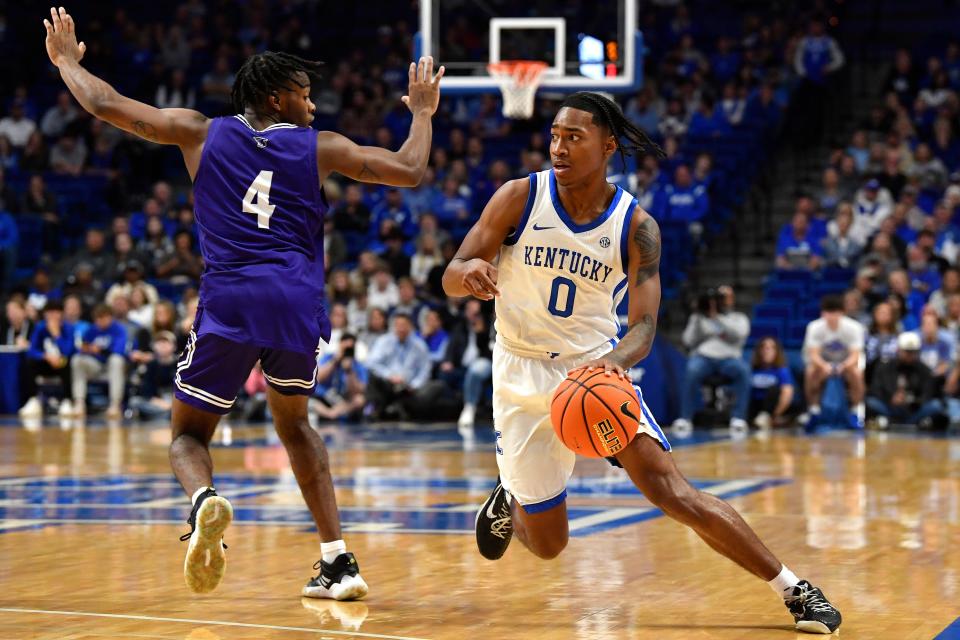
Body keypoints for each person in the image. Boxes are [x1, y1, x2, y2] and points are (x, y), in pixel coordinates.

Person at [45, 7, 442, 597]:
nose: (312, 104)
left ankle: (205, 500)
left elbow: (106, 106)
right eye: (304, 94)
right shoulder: (321, 147)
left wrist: (67, 64)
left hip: (231, 298)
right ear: (279, 98)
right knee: (296, 424)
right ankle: (338, 561)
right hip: (295, 301)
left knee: (187, 437)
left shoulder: (199, 131)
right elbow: (410, 170)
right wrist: (423, 115)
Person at [442, 92, 840, 634]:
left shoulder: (636, 226)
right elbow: (453, 268)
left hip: (592, 369)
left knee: (669, 489)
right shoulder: (518, 197)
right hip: (519, 372)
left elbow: (645, 328)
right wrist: (466, 275)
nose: (558, 147)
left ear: (607, 146)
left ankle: (794, 589)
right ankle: (509, 503)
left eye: (573, 137)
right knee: (551, 546)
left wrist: (608, 365)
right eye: (555, 135)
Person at [673, 286, 752, 433]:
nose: (720, 300)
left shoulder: (738, 318)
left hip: (729, 359)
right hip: (704, 358)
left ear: (732, 299)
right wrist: (697, 316)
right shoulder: (699, 317)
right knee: (691, 369)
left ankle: (738, 418)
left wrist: (716, 318)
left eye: (725, 296)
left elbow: (739, 334)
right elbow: (688, 341)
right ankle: (685, 418)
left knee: (743, 371)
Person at [801, 295, 866, 429]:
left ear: (842, 312)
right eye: (828, 312)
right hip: (823, 363)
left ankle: (855, 411)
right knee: (810, 371)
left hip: (846, 363)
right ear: (822, 313)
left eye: (835, 312)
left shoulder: (854, 327)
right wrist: (825, 366)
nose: (831, 316)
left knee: (857, 373)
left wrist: (843, 366)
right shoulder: (814, 327)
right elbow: (813, 354)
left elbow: (855, 355)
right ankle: (813, 410)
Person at [866, 332, 944, 429]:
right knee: (871, 402)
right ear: (899, 350)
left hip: (914, 410)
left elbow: (928, 393)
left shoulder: (924, 370)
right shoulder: (885, 367)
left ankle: (895, 422)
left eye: (913, 352)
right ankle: (899, 421)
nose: (910, 355)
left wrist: (912, 401)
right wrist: (891, 398)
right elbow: (875, 389)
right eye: (907, 351)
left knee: (936, 405)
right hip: (890, 407)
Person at [18, 299, 75, 418]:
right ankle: (33, 400)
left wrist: (57, 335)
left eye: (56, 312)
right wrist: (45, 356)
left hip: (61, 364)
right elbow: (32, 350)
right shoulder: (40, 328)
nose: (53, 316)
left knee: (69, 362)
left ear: (62, 314)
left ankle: (67, 401)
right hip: (45, 363)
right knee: (29, 362)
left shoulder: (68, 328)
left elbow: (68, 351)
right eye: (50, 312)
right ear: (45, 314)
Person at [71, 303, 127, 418]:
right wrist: (87, 349)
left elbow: (118, 351)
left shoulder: (119, 329)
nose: (100, 321)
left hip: (112, 367)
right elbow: (81, 348)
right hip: (95, 366)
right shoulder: (92, 330)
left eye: (103, 318)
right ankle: (79, 403)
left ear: (110, 317)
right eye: (98, 318)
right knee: (77, 360)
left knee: (116, 360)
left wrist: (99, 350)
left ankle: (115, 405)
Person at [313, 332, 368, 422]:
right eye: (345, 347)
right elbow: (318, 378)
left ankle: (334, 413)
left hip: (344, 401)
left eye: (349, 348)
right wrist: (335, 361)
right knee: (307, 397)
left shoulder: (358, 365)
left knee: (360, 400)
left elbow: (359, 391)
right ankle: (330, 414)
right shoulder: (328, 358)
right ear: (339, 345)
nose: (347, 350)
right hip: (324, 397)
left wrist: (349, 371)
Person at [748, 337, 795, 429]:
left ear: (777, 352)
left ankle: (767, 417)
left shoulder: (781, 370)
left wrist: (775, 414)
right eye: (764, 348)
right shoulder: (751, 370)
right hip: (754, 405)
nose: (767, 351)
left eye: (771, 348)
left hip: (772, 407)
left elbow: (787, 393)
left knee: (773, 389)